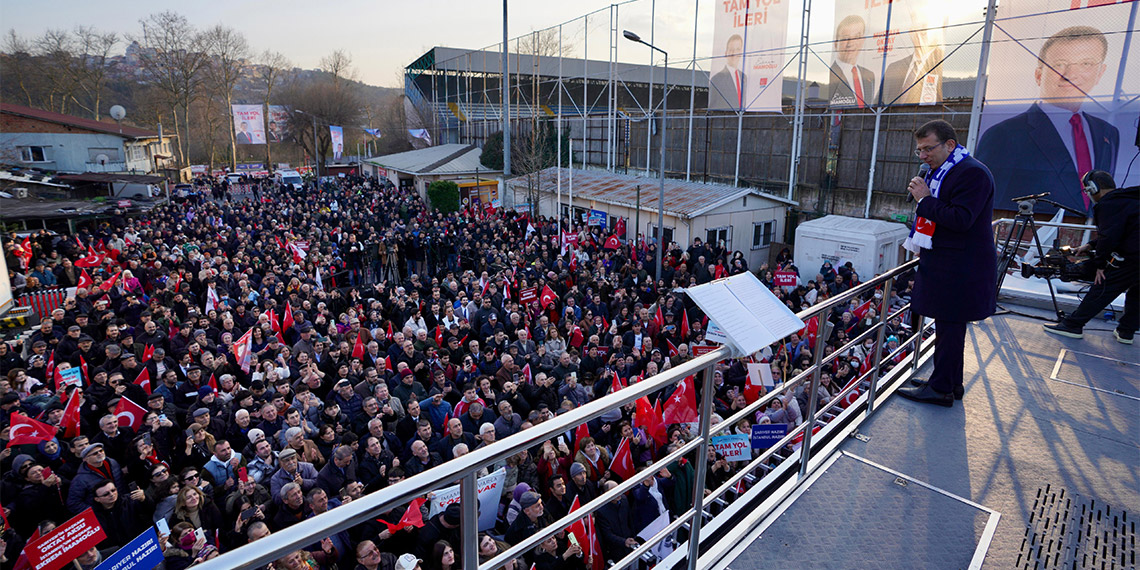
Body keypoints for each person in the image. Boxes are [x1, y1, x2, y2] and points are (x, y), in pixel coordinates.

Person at [899, 119, 997, 406]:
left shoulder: (972, 174)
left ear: (950, 144)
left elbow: (961, 219)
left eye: (928, 148)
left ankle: (940, 388)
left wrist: (925, 200)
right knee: (949, 329)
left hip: (960, 267)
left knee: (949, 329)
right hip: (948, 263)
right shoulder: (942, 171)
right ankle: (950, 383)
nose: (923, 156)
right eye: (919, 151)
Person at [975, 26, 1119, 216]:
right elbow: (981, 200)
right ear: (1038, 75)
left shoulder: (1107, 133)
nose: (1070, 74)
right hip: (1029, 240)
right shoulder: (1003, 135)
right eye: (1059, 64)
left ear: (1100, 72)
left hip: (1091, 240)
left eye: (1086, 63)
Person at [1044, 170, 1137, 344]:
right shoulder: (1130, 200)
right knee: (1137, 294)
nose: (1088, 194)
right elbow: (1125, 230)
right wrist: (1091, 245)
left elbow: (1109, 237)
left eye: (1087, 190)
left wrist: (1100, 265)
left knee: (1102, 287)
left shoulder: (1109, 204)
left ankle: (1073, 325)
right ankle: (1126, 332)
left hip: (1133, 258)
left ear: (1095, 188)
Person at [881, 8, 944, 105]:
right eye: (915, 28)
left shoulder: (942, 63)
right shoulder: (893, 68)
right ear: (910, 32)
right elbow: (879, 104)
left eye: (924, 28)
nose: (919, 34)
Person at [828, 15, 875, 108]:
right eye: (846, 38)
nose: (851, 43)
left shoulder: (869, 75)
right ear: (836, 43)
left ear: (863, 40)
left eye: (857, 37)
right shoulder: (830, 73)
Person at [709, 34, 746, 110]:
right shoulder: (716, 79)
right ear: (726, 53)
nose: (734, 53)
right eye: (731, 49)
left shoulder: (744, 77)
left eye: (738, 49)